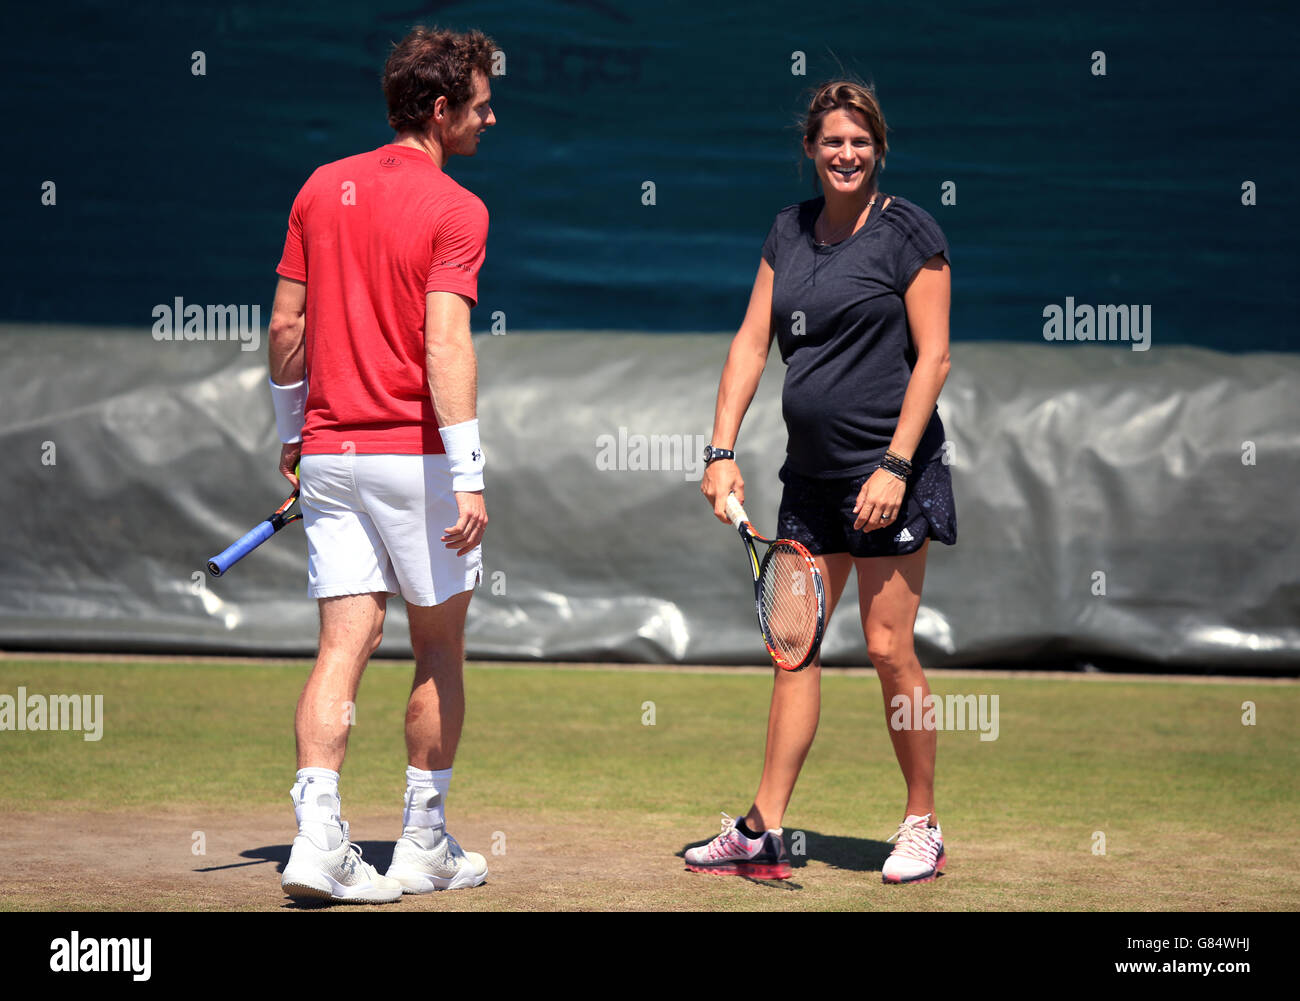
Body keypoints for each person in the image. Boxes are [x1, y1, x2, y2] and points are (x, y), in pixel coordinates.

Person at [688, 79, 957, 885]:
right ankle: (763, 829)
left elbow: (933, 358)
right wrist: (719, 448)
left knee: (886, 647)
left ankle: (921, 823)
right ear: (811, 149)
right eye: (832, 141)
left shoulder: (910, 233)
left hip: (890, 476)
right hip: (808, 480)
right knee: (793, 648)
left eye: (860, 142)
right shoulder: (787, 232)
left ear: (879, 149)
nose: (846, 154)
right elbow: (750, 341)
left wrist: (895, 465)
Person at [268, 26, 498, 903]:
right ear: (439, 110)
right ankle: (422, 844)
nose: (490, 115)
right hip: (417, 461)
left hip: (329, 454)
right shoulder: (457, 208)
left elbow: (287, 329)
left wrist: (294, 433)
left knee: (341, 645)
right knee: (437, 646)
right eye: (480, 103)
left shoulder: (321, 187)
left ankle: (318, 840)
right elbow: (446, 341)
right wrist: (469, 471)